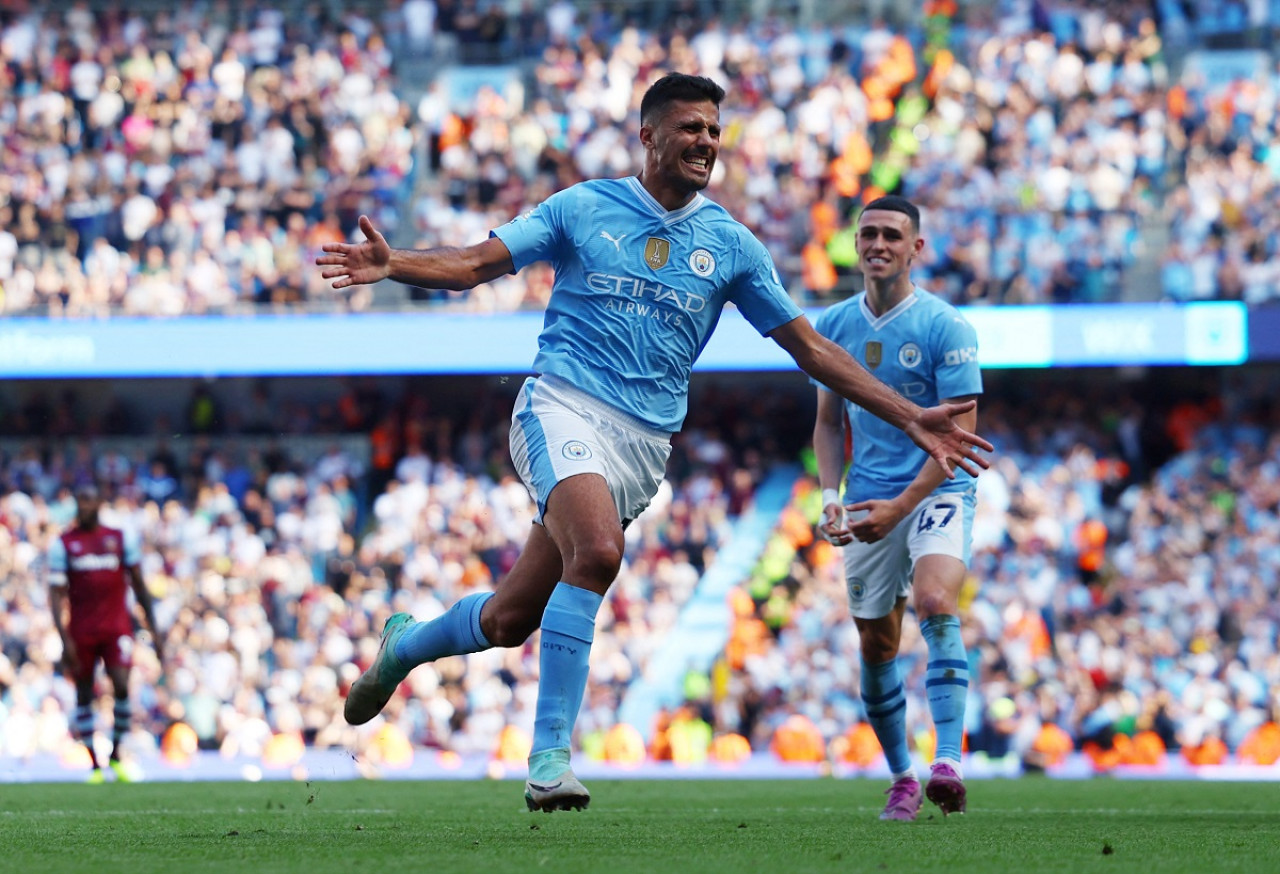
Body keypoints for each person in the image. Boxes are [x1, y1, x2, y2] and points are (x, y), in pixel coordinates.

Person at [317, 73, 991, 812]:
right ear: (649, 135)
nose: (706, 141)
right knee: (600, 553)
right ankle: (549, 762)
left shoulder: (730, 244)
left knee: (511, 620)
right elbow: (478, 263)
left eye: (713, 129)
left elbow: (809, 348)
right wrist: (396, 264)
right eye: (691, 128)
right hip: (561, 404)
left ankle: (405, 646)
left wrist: (907, 414)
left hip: (643, 445)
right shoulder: (584, 207)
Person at [812, 195, 982, 820]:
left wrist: (901, 507)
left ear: (917, 249)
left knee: (937, 602)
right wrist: (832, 497)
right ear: (856, 246)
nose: (877, 244)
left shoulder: (947, 327)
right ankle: (902, 776)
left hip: (939, 488)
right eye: (867, 235)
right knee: (877, 645)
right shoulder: (832, 326)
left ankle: (948, 763)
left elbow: (958, 442)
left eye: (891, 235)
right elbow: (829, 425)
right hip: (866, 498)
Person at [48, 484, 165, 783]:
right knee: (84, 693)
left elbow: (139, 586)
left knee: (123, 685)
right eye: (80, 501)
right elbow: (56, 595)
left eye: (88, 500)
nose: (84, 507)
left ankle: (115, 755)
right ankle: (95, 764)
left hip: (116, 627)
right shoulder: (64, 544)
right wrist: (64, 639)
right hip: (82, 630)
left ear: (99, 503)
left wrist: (154, 629)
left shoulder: (119, 539)